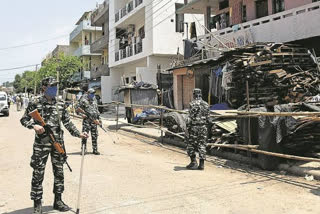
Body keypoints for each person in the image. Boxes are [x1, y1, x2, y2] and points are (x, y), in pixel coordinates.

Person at [20, 77, 88, 214]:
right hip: (41, 144)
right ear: (44, 87)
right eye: (52, 87)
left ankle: (58, 200)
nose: (54, 89)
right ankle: (37, 204)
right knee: (38, 173)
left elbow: (67, 123)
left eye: (56, 87)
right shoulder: (35, 102)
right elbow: (24, 119)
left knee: (59, 173)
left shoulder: (61, 104)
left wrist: (79, 134)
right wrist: (33, 125)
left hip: (57, 143)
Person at [185, 88, 210, 170]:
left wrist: (187, 129)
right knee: (202, 145)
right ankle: (201, 164)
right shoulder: (206, 104)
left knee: (190, 144)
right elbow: (208, 119)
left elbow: (189, 118)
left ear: (194, 95)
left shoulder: (192, 104)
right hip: (203, 127)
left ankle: (193, 162)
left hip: (194, 128)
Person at [76, 87, 101, 155]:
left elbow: (97, 110)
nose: (93, 95)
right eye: (92, 93)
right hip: (86, 121)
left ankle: (95, 150)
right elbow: (77, 109)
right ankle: (83, 149)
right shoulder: (83, 100)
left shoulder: (94, 99)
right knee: (85, 135)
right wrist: (82, 115)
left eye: (93, 93)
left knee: (95, 135)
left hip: (94, 121)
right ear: (88, 93)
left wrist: (99, 119)